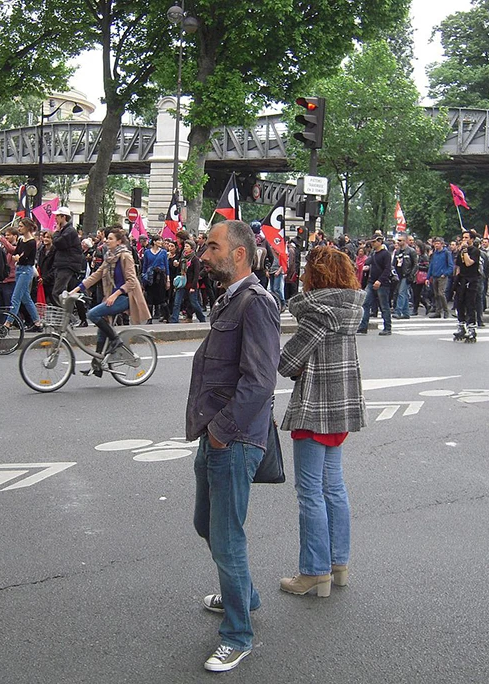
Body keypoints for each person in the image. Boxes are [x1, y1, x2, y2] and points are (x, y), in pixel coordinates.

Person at [186, 219, 280, 673]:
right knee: (208, 524)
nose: (204, 254)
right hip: (217, 433)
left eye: (212, 247)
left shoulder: (256, 303)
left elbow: (261, 381)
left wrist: (222, 431)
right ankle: (243, 592)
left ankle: (238, 634)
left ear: (239, 254)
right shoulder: (231, 299)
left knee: (226, 535)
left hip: (234, 438)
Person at [277, 246, 366, 599]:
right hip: (341, 407)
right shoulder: (349, 310)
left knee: (310, 492)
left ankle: (314, 572)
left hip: (315, 407)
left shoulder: (316, 313)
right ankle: (338, 564)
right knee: (334, 487)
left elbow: (287, 363)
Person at [69, 228, 149, 376]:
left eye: (110, 238)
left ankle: (116, 339)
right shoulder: (109, 257)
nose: (106, 240)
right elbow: (96, 275)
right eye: (107, 238)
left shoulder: (125, 256)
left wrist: (116, 294)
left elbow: (132, 282)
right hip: (111, 297)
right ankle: (97, 364)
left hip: (125, 298)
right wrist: (75, 290)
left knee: (92, 314)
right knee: (101, 329)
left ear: (119, 241)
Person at [51, 207, 87, 326]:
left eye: (57, 216)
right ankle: (70, 318)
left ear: (63, 217)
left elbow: (58, 243)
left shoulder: (69, 231)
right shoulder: (66, 230)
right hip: (64, 265)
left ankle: (68, 318)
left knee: (57, 293)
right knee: (69, 293)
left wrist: (56, 232)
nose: (55, 218)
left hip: (67, 265)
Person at [6, 218, 43, 331]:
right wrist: (17, 257)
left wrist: (18, 258)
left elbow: (26, 257)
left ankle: (8, 322)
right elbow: (16, 253)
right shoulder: (21, 240)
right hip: (19, 269)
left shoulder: (32, 242)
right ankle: (37, 322)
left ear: (27, 228)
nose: (19, 228)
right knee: (26, 298)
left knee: (16, 297)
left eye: (21, 226)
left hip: (26, 271)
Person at [356, 234, 392, 336]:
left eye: (374, 242)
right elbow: (367, 262)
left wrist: (380, 280)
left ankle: (388, 327)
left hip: (382, 283)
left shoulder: (386, 254)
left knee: (384, 305)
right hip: (371, 281)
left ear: (380, 241)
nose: (372, 244)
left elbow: (387, 269)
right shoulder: (373, 254)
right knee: (365, 303)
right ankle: (363, 326)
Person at [453, 230, 481, 341]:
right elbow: (459, 266)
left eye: (466, 237)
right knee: (459, 302)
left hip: (472, 279)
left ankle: (472, 328)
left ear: (472, 239)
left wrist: (464, 251)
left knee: (470, 303)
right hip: (462, 279)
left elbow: (469, 263)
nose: (464, 240)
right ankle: (461, 325)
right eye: (463, 237)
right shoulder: (460, 251)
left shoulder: (475, 251)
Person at [170, 241, 207, 324]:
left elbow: (196, 274)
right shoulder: (183, 257)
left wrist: (193, 287)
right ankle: (174, 320)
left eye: (187, 246)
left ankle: (201, 318)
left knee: (194, 302)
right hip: (182, 283)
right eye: (185, 246)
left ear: (191, 248)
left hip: (190, 284)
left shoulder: (195, 259)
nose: (185, 248)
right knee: (177, 302)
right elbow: (180, 269)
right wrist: (177, 264)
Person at [140, 235, 170, 323]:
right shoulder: (147, 252)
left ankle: (167, 316)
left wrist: (168, 279)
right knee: (149, 298)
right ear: (154, 242)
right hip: (150, 277)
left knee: (162, 297)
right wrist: (143, 278)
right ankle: (149, 318)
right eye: (159, 241)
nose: (161, 242)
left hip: (160, 276)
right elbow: (145, 266)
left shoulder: (164, 252)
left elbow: (166, 266)